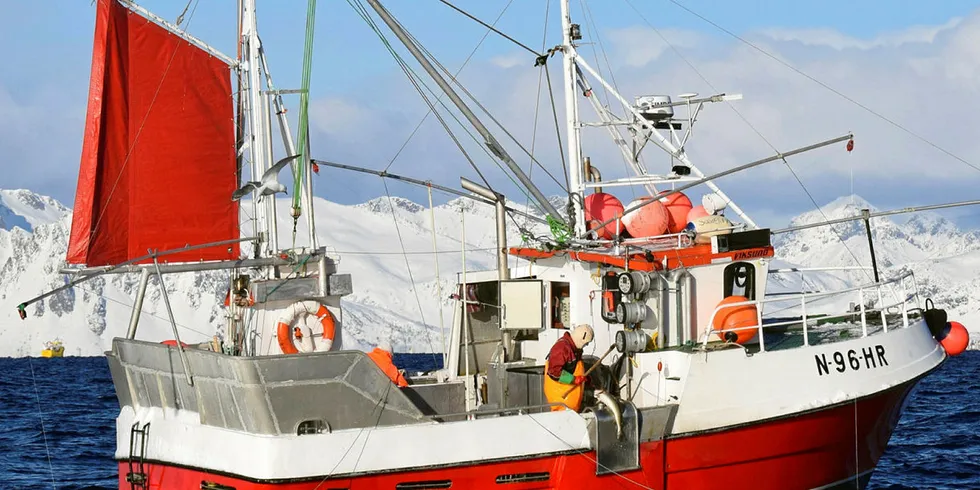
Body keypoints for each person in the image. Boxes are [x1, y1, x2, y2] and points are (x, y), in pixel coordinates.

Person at [543, 324, 594, 412]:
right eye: (586, 343)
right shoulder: (561, 348)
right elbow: (554, 372)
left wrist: (585, 380)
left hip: (571, 403)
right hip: (561, 401)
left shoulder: (575, 349)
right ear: (581, 339)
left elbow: (576, 369)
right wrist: (574, 380)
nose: (587, 345)